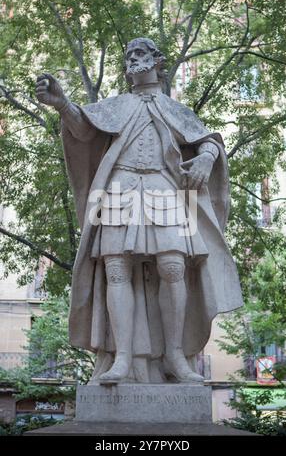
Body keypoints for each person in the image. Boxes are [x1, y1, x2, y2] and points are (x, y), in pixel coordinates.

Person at [36, 37, 243, 384]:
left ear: (157, 61)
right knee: (117, 269)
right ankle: (123, 358)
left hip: (167, 188)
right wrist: (62, 104)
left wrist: (206, 158)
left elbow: (209, 140)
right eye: (128, 55)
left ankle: (175, 356)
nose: (133, 58)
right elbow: (84, 128)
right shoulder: (116, 105)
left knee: (174, 266)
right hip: (120, 187)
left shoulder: (176, 109)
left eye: (140, 53)